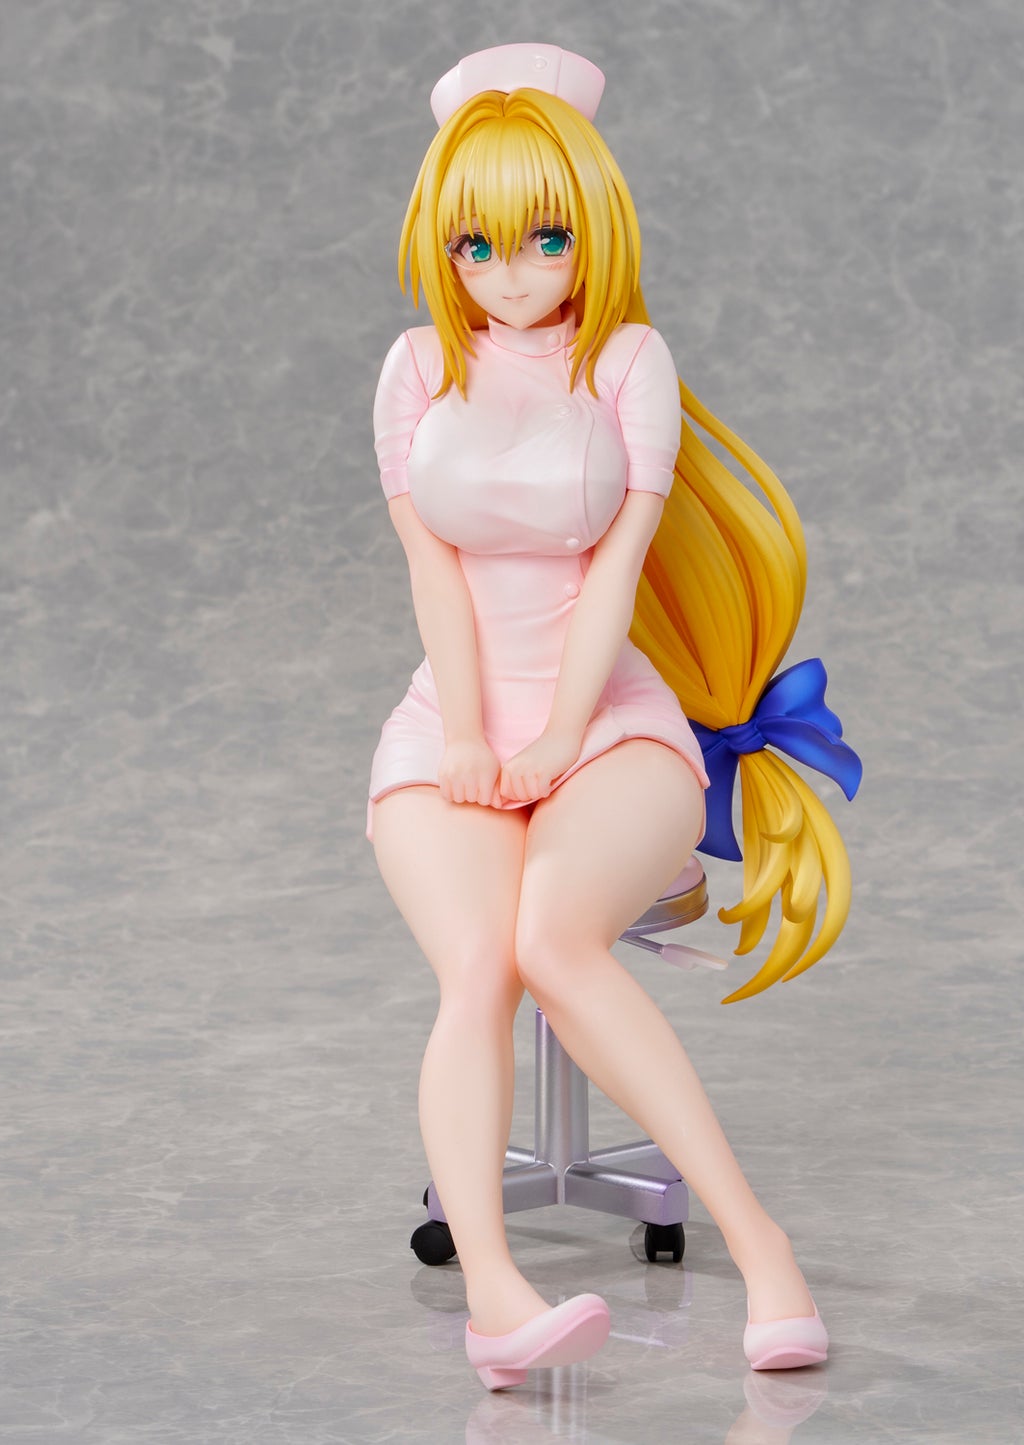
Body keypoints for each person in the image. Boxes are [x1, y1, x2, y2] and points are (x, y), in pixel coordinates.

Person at [365, 43, 861, 1391]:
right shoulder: (415, 370)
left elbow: (615, 573)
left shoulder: (627, 360)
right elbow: (433, 576)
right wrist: (469, 736)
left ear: (593, 228)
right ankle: (496, 1295)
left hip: (611, 723)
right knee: (479, 966)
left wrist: (557, 735)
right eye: (475, 244)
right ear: (441, 244)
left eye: (544, 239)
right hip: (451, 721)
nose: (511, 274)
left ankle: (762, 1246)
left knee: (553, 938)